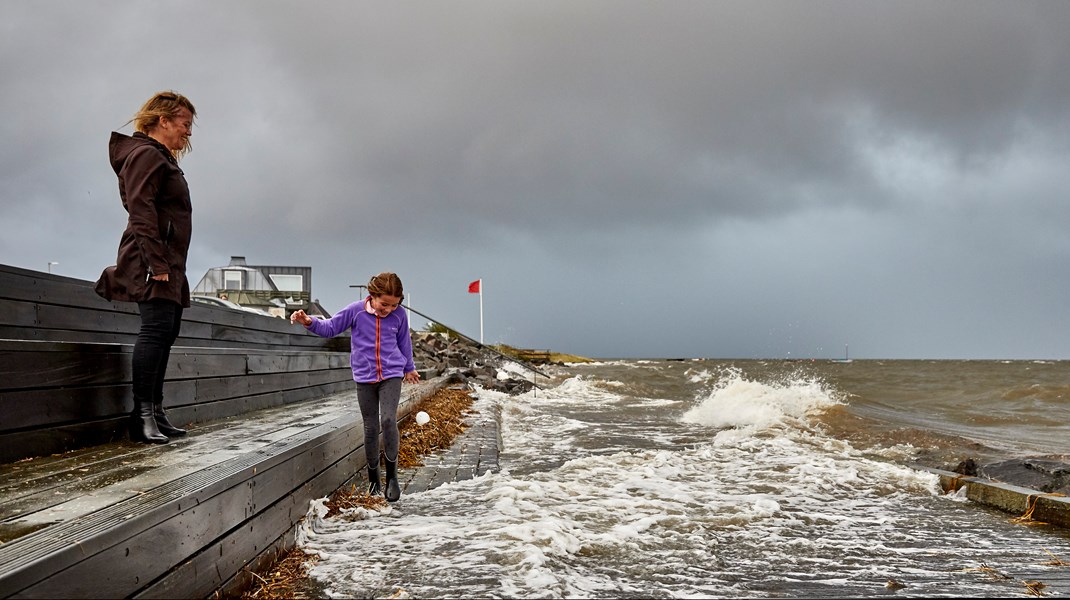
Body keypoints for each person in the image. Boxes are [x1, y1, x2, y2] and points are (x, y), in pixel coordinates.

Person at [94, 91, 196, 445]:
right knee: (154, 332)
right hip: (152, 260)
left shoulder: (159, 158)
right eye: (185, 124)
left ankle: (156, 410)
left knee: (166, 332)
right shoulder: (145, 155)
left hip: (167, 261)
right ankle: (141, 415)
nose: (188, 132)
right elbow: (140, 210)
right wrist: (157, 263)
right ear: (163, 120)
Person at [290, 272, 421, 502]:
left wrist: (409, 367)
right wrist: (309, 322)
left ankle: (392, 477)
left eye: (393, 305)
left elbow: (404, 342)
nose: (388, 309)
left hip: (391, 374)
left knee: (389, 420)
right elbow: (330, 328)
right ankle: (373, 481)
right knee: (370, 427)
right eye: (384, 304)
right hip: (364, 377)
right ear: (372, 296)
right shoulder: (355, 310)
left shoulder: (399, 315)